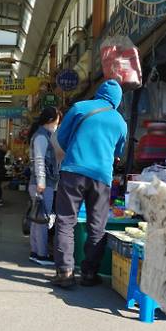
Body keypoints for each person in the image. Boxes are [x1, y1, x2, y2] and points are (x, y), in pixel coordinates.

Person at [52, 80, 127, 288]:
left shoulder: (79, 108)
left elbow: (62, 137)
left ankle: (65, 272)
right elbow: (117, 153)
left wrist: (77, 151)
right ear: (118, 100)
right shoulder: (120, 122)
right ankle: (89, 273)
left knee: (66, 221)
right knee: (97, 226)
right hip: (101, 177)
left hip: (73, 171)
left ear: (98, 92)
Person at [27, 106, 61, 266]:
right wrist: (41, 181)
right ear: (50, 121)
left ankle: (35, 252)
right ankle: (42, 255)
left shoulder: (42, 135)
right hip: (42, 184)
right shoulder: (42, 136)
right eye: (57, 122)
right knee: (42, 221)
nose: (57, 125)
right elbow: (39, 160)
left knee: (37, 219)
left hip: (39, 184)